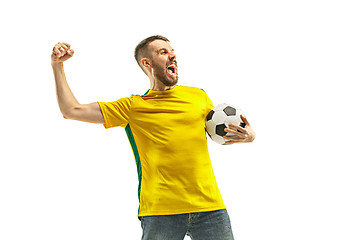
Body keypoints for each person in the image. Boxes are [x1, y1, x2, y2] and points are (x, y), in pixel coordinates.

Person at [51, 35, 256, 240]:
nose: (172, 56)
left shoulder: (198, 97)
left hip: (210, 208)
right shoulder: (132, 107)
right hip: (160, 212)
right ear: (146, 63)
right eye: (163, 52)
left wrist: (249, 135)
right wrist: (57, 66)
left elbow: (221, 131)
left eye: (172, 52)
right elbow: (71, 110)